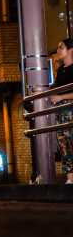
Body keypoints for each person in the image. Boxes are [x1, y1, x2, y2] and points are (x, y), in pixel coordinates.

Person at [48, 38, 73, 185]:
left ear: (70, 50)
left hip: (70, 109)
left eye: (61, 47)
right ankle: (70, 179)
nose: (57, 50)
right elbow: (55, 89)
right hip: (61, 111)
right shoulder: (61, 70)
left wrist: (61, 97)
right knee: (64, 144)